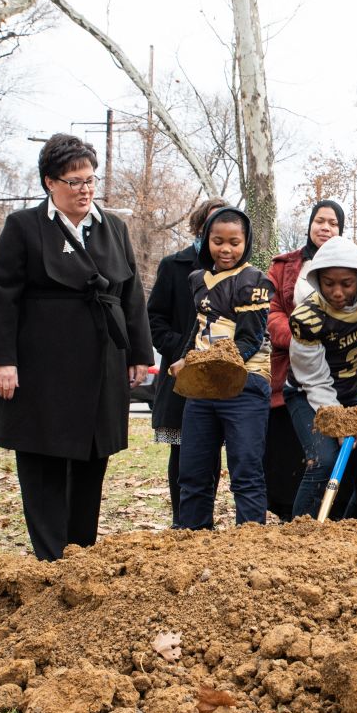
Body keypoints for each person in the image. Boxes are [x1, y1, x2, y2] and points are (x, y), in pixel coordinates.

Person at [0, 133, 152, 561]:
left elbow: (130, 293)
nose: (85, 189)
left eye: (90, 180)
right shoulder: (24, 226)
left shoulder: (113, 227)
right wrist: (2, 360)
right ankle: (51, 556)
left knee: (93, 457)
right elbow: (0, 293)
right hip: (42, 363)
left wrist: (138, 353)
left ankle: (80, 552)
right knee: (44, 457)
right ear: (49, 182)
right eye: (74, 181)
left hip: (102, 359)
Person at [171, 207, 274, 530]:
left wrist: (219, 365)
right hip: (203, 386)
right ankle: (192, 535)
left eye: (234, 242)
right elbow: (200, 327)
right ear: (206, 241)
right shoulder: (197, 279)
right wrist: (188, 357)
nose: (226, 249)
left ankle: (249, 542)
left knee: (245, 468)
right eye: (218, 241)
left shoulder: (255, 281)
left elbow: (251, 337)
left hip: (245, 384)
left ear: (247, 243)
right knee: (193, 470)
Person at [286, 236, 357, 520]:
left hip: (349, 394)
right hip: (307, 394)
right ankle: (298, 539)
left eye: (346, 283)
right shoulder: (308, 318)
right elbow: (314, 380)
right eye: (328, 283)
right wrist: (339, 422)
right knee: (324, 462)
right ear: (317, 279)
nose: (336, 291)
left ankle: (346, 535)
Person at [147, 197, 225, 526]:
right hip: (181, 376)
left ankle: (203, 522)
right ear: (199, 227)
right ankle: (184, 523)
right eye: (211, 224)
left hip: (220, 376)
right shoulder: (173, 265)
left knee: (211, 454)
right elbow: (155, 319)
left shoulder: (236, 271)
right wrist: (184, 349)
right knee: (183, 450)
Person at [264, 200, 344, 519]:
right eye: (320, 221)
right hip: (288, 371)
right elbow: (271, 312)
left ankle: (328, 516)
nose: (325, 228)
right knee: (289, 451)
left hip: (332, 373)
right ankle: (290, 517)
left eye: (333, 223)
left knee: (327, 451)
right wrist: (299, 338)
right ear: (310, 225)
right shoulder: (285, 266)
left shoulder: (349, 265)